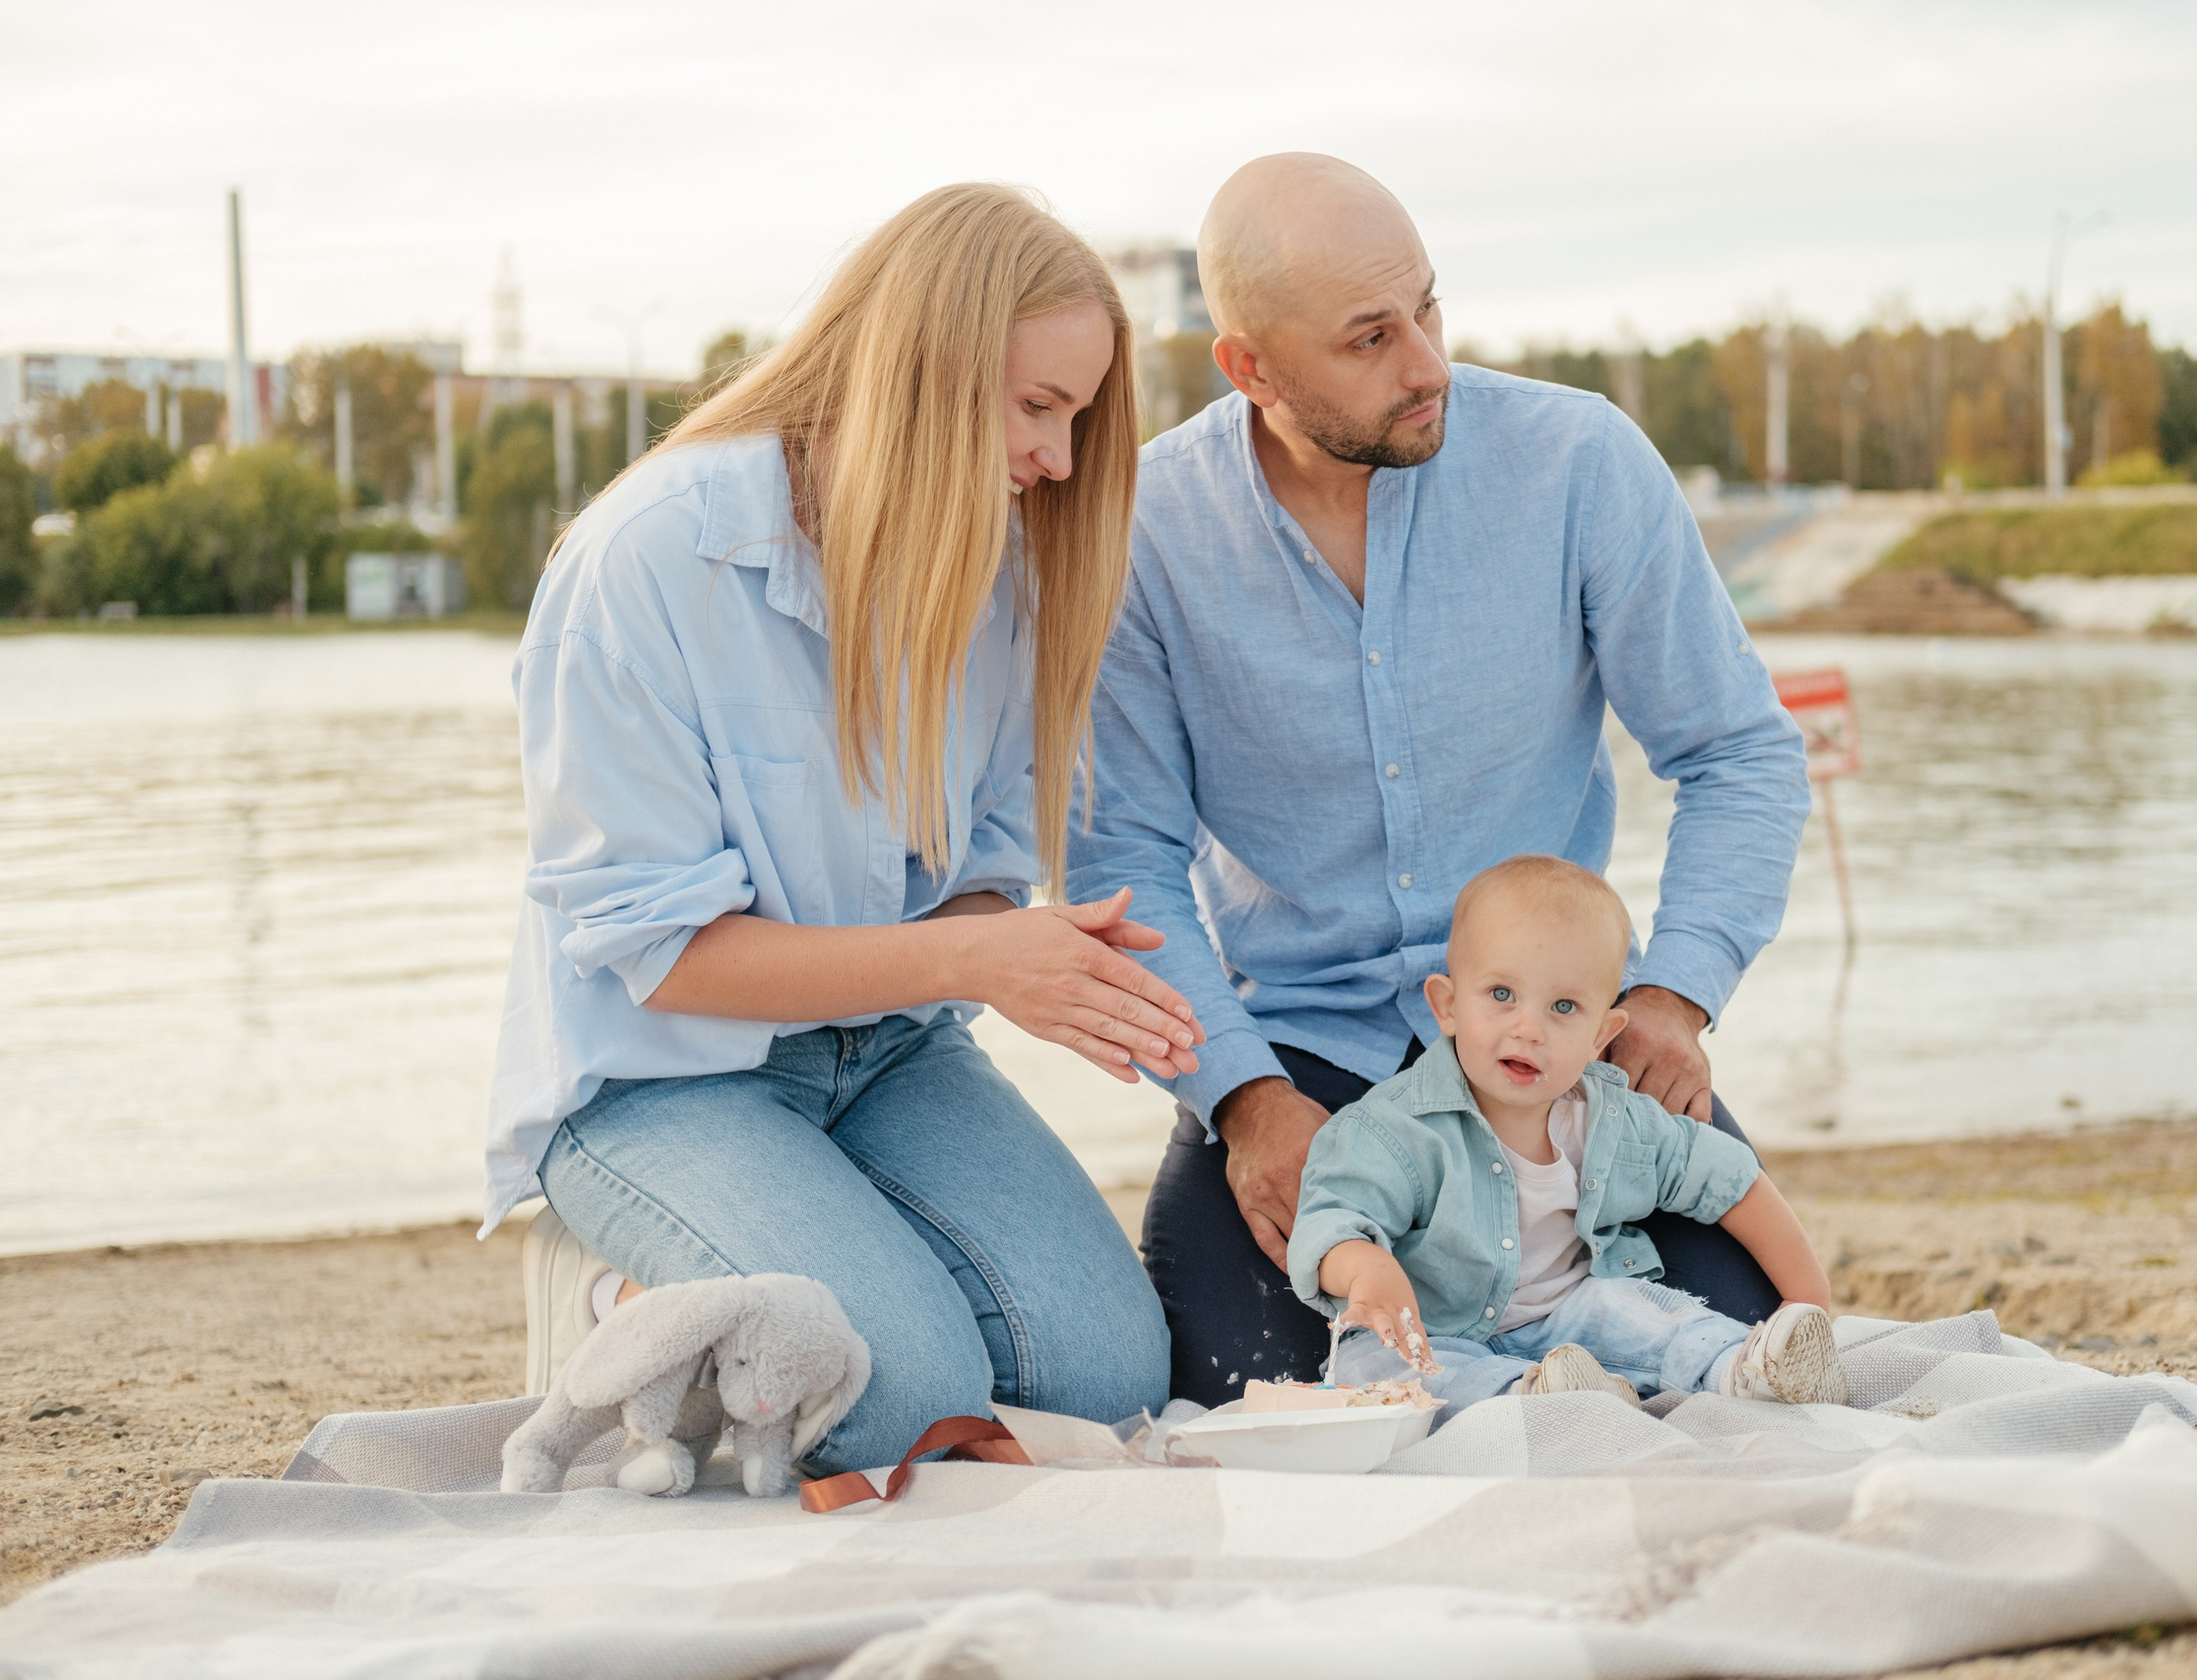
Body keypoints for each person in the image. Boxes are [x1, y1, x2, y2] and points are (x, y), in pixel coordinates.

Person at [1065, 154, 1812, 1405]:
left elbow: (1735, 750)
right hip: (1298, 1059)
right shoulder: (1141, 533)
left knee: (1727, 1368)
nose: (1425, 364)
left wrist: (1675, 996)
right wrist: (1242, 1103)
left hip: (1565, 1050)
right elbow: (1120, 862)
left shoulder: (1578, 464)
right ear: (1248, 367)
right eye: (1369, 337)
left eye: (1428, 308)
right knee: (1228, 1394)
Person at [479, 184, 1202, 1474]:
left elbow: (977, 883)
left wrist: (1023, 956)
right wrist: (973, 963)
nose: (1062, 460)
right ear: (921, 372)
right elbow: (667, 953)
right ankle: (644, 1305)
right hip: (661, 1076)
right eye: (1039, 407)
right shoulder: (645, 562)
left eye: (1079, 417)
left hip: (887, 1056)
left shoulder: (1001, 572)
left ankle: (781, 1264)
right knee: (903, 1395)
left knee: (1108, 1370)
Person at [1287, 856, 1847, 1413]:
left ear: (1602, 1033)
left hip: (1569, 1314)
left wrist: (1808, 1297)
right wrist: (1366, 1267)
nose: (1528, 1029)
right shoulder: (1392, 1128)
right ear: (1448, 1006)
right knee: (1372, 1367)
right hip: (1435, 1331)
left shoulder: (1610, 1119)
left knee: (1646, 1313)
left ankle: (1749, 1365)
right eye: (1501, 995)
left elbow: (1726, 1178)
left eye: (1563, 1007)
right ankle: (1529, 1398)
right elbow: (1328, 1222)